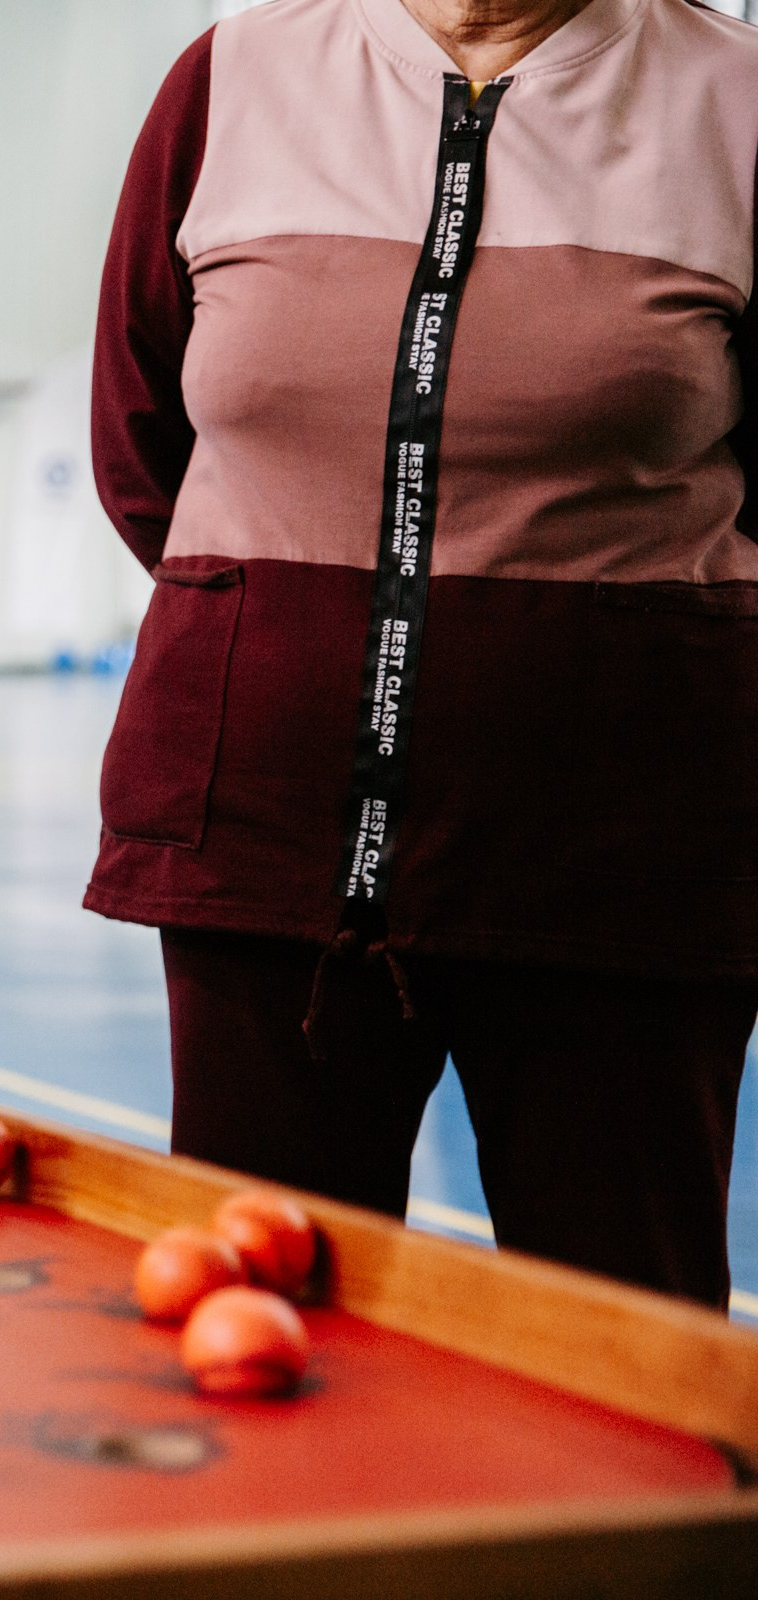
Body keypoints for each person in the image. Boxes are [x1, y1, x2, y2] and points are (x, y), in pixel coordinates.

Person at [88, 0, 758, 1310]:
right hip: (266, 859)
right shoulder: (230, 81)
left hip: (622, 871)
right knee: (261, 1343)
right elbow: (142, 436)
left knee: (628, 1368)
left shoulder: (731, 102)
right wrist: (289, 624)